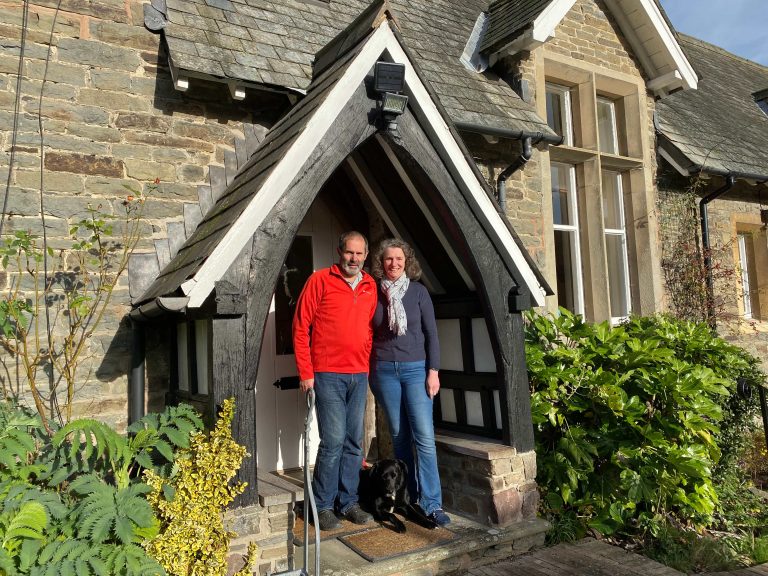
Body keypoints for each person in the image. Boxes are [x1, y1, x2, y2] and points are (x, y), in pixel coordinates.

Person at [292, 231, 377, 531]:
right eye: (349, 253)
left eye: (359, 254)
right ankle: (323, 506)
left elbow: (368, 329)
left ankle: (348, 501)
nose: (353, 259)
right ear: (339, 251)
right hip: (327, 374)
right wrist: (306, 372)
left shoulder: (370, 286)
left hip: (358, 374)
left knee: (355, 442)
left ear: (366, 255)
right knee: (333, 441)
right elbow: (301, 327)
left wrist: (365, 359)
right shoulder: (319, 281)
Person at [369, 238, 451, 527]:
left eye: (399, 259)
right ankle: (408, 498)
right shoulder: (373, 293)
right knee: (400, 437)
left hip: (417, 371)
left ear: (407, 262)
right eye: (388, 259)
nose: (394, 264)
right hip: (384, 372)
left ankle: (432, 504)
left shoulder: (418, 293)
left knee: (424, 439)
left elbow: (432, 334)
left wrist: (434, 370)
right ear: (381, 262)